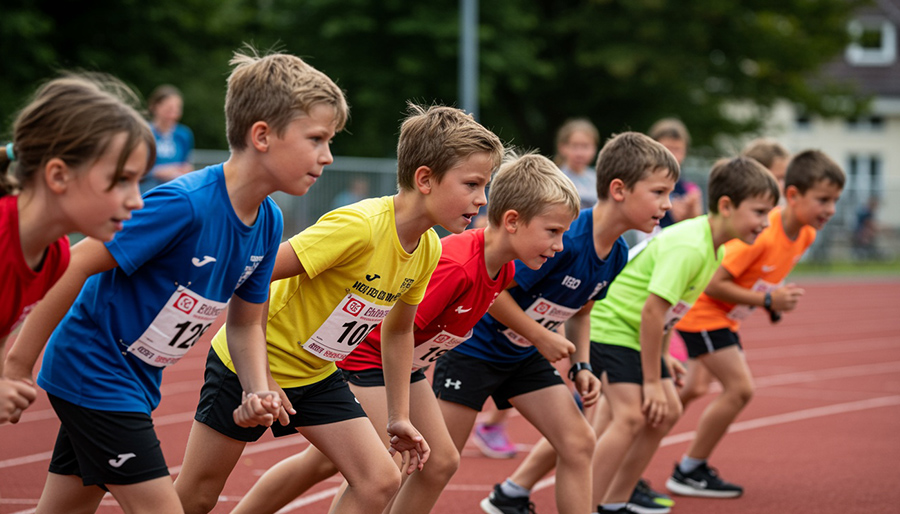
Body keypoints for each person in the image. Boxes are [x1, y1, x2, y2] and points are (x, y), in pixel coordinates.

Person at [3, 48, 346, 514]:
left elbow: (245, 324)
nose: (327, 157)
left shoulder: (267, 223)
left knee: (62, 510)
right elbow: (78, 261)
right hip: (96, 372)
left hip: (137, 381)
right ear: (262, 135)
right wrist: (17, 366)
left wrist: (256, 387)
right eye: (317, 138)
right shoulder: (185, 205)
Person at [173, 102, 504, 514]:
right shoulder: (358, 227)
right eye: (472, 184)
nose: (482, 199)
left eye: (485, 186)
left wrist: (398, 416)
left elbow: (398, 332)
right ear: (425, 179)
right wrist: (257, 376)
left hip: (317, 373)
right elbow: (254, 272)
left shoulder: (428, 248)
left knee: (379, 479)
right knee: (197, 496)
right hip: (250, 365)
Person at [226, 152, 579, 514]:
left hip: (405, 367)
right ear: (513, 221)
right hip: (366, 359)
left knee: (435, 460)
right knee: (380, 468)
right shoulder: (455, 265)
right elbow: (392, 331)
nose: (560, 245)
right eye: (553, 232)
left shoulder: (502, 270)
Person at [479, 132, 681, 514]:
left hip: (523, 356)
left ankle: (512, 494)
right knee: (436, 462)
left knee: (579, 441)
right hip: (476, 350)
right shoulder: (564, 238)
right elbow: (491, 290)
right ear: (619, 189)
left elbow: (583, 310)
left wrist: (582, 364)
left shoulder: (618, 252)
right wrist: (540, 335)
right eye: (658, 193)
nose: (667, 205)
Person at [590, 156, 780, 514]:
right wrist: (652, 379)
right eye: (759, 212)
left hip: (635, 331)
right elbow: (652, 311)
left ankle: (614, 501)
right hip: (612, 324)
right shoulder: (691, 245)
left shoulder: (715, 247)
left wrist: (662, 359)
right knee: (631, 416)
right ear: (726, 205)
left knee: (667, 409)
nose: (765, 223)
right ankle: (585, 506)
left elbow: (668, 313)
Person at [670, 150, 844, 498]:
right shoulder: (762, 233)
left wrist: (772, 301)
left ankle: (657, 451)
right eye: (823, 200)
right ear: (793, 196)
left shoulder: (806, 234)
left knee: (691, 389)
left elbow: (761, 278)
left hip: (724, 319)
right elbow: (714, 282)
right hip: (703, 313)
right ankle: (688, 468)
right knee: (739, 389)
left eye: (836, 201)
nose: (831, 210)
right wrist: (767, 300)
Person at [0, 74, 154, 425]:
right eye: (121, 180)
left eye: (138, 181)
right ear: (58, 176)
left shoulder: (54, 256)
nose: (137, 202)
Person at [649, 118, 702, 228]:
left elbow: (697, 227)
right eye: (667, 149)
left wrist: (692, 215)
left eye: (677, 149)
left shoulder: (689, 190)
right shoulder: (642, 184)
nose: (672, 156)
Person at [142, 85, 194, 192]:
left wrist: (186, 170)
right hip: (147, 190)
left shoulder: (183, 134)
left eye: (177, 109)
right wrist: (159, 171)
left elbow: (185, 163)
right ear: (155, 107)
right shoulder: (143, 133)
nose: (173, 114)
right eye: (169, 109)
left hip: (175, 189)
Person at [555, 118, 601, 209]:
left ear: (594, 148)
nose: (579, 153)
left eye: (585, 146)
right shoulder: (555, 179)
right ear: (562, 147)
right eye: (574, 146)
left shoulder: (597, 178)